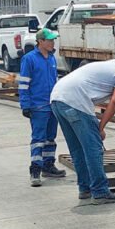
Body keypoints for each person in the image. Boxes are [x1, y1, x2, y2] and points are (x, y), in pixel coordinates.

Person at [50, 56, 115, 205]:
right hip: (75, 100)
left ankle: (85, 188)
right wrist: (100, 127)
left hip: (57, 99)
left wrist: (96, 125)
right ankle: (100, 192)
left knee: (77, 149)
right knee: (93, 149)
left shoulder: (110, 65)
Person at [19, 28, 66, 187]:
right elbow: (24, 83)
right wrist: (25, 105)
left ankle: (48, 165)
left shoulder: (52, 58)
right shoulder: (29, 59)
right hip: (38, 106)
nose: (53, 43)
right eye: (50, 40)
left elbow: (55, 81)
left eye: (53, 40)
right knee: (38, 139)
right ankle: (35, 170)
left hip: (52, 105)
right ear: (40, 42)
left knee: (50, 138)